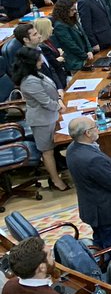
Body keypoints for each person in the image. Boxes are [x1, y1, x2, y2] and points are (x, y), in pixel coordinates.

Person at [12, 47, 68, 191]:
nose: (41, 61)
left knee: (54, 146)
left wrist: (59, 100)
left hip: (51, 116)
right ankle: (56, 181)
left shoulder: (35, 74)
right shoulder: (29, 81)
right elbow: (45, 102)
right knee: (47, 151)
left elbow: (51, 91)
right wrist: (59, 106)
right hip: (42, 121)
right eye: (38, 59)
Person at [65, 116, 111, 247]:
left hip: (91, 206)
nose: (98, 128)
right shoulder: (93, 160)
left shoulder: (72, 148)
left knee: (100, 241)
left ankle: (103, 262)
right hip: (106, 212)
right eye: (95, 126)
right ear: (87, 133)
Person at [51, 0, 91, 72]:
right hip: (75, 61)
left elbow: (84, 35)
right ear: (64, 10)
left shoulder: (72, 19)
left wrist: (89, 50)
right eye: (72, 10)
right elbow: (70, 44)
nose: (75, 11)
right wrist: (85, 56)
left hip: (85, 56)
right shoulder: (60, 25)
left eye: (75, 9)